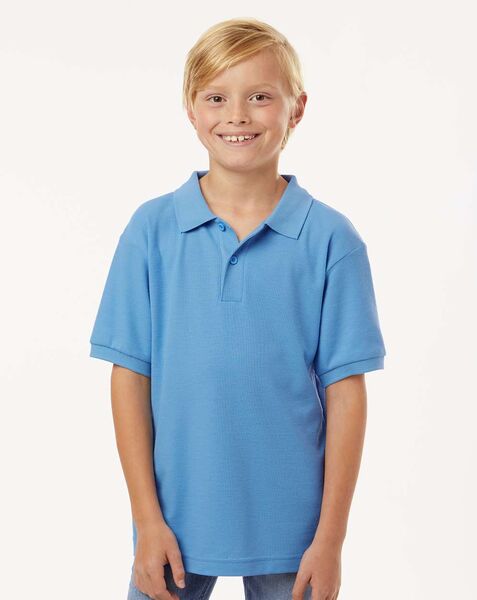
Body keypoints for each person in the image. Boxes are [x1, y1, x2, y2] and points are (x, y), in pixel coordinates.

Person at [89, 17, 387, 600]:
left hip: (295, 533)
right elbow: (129, 377)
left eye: (260, 97)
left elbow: (347, 393)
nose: (238, 115)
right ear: (191, 109)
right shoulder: (150, 231)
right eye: (217, 97)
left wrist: (330, 540)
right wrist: (146, 522)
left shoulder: (332, 240)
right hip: (172, 523)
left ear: (297, 109)